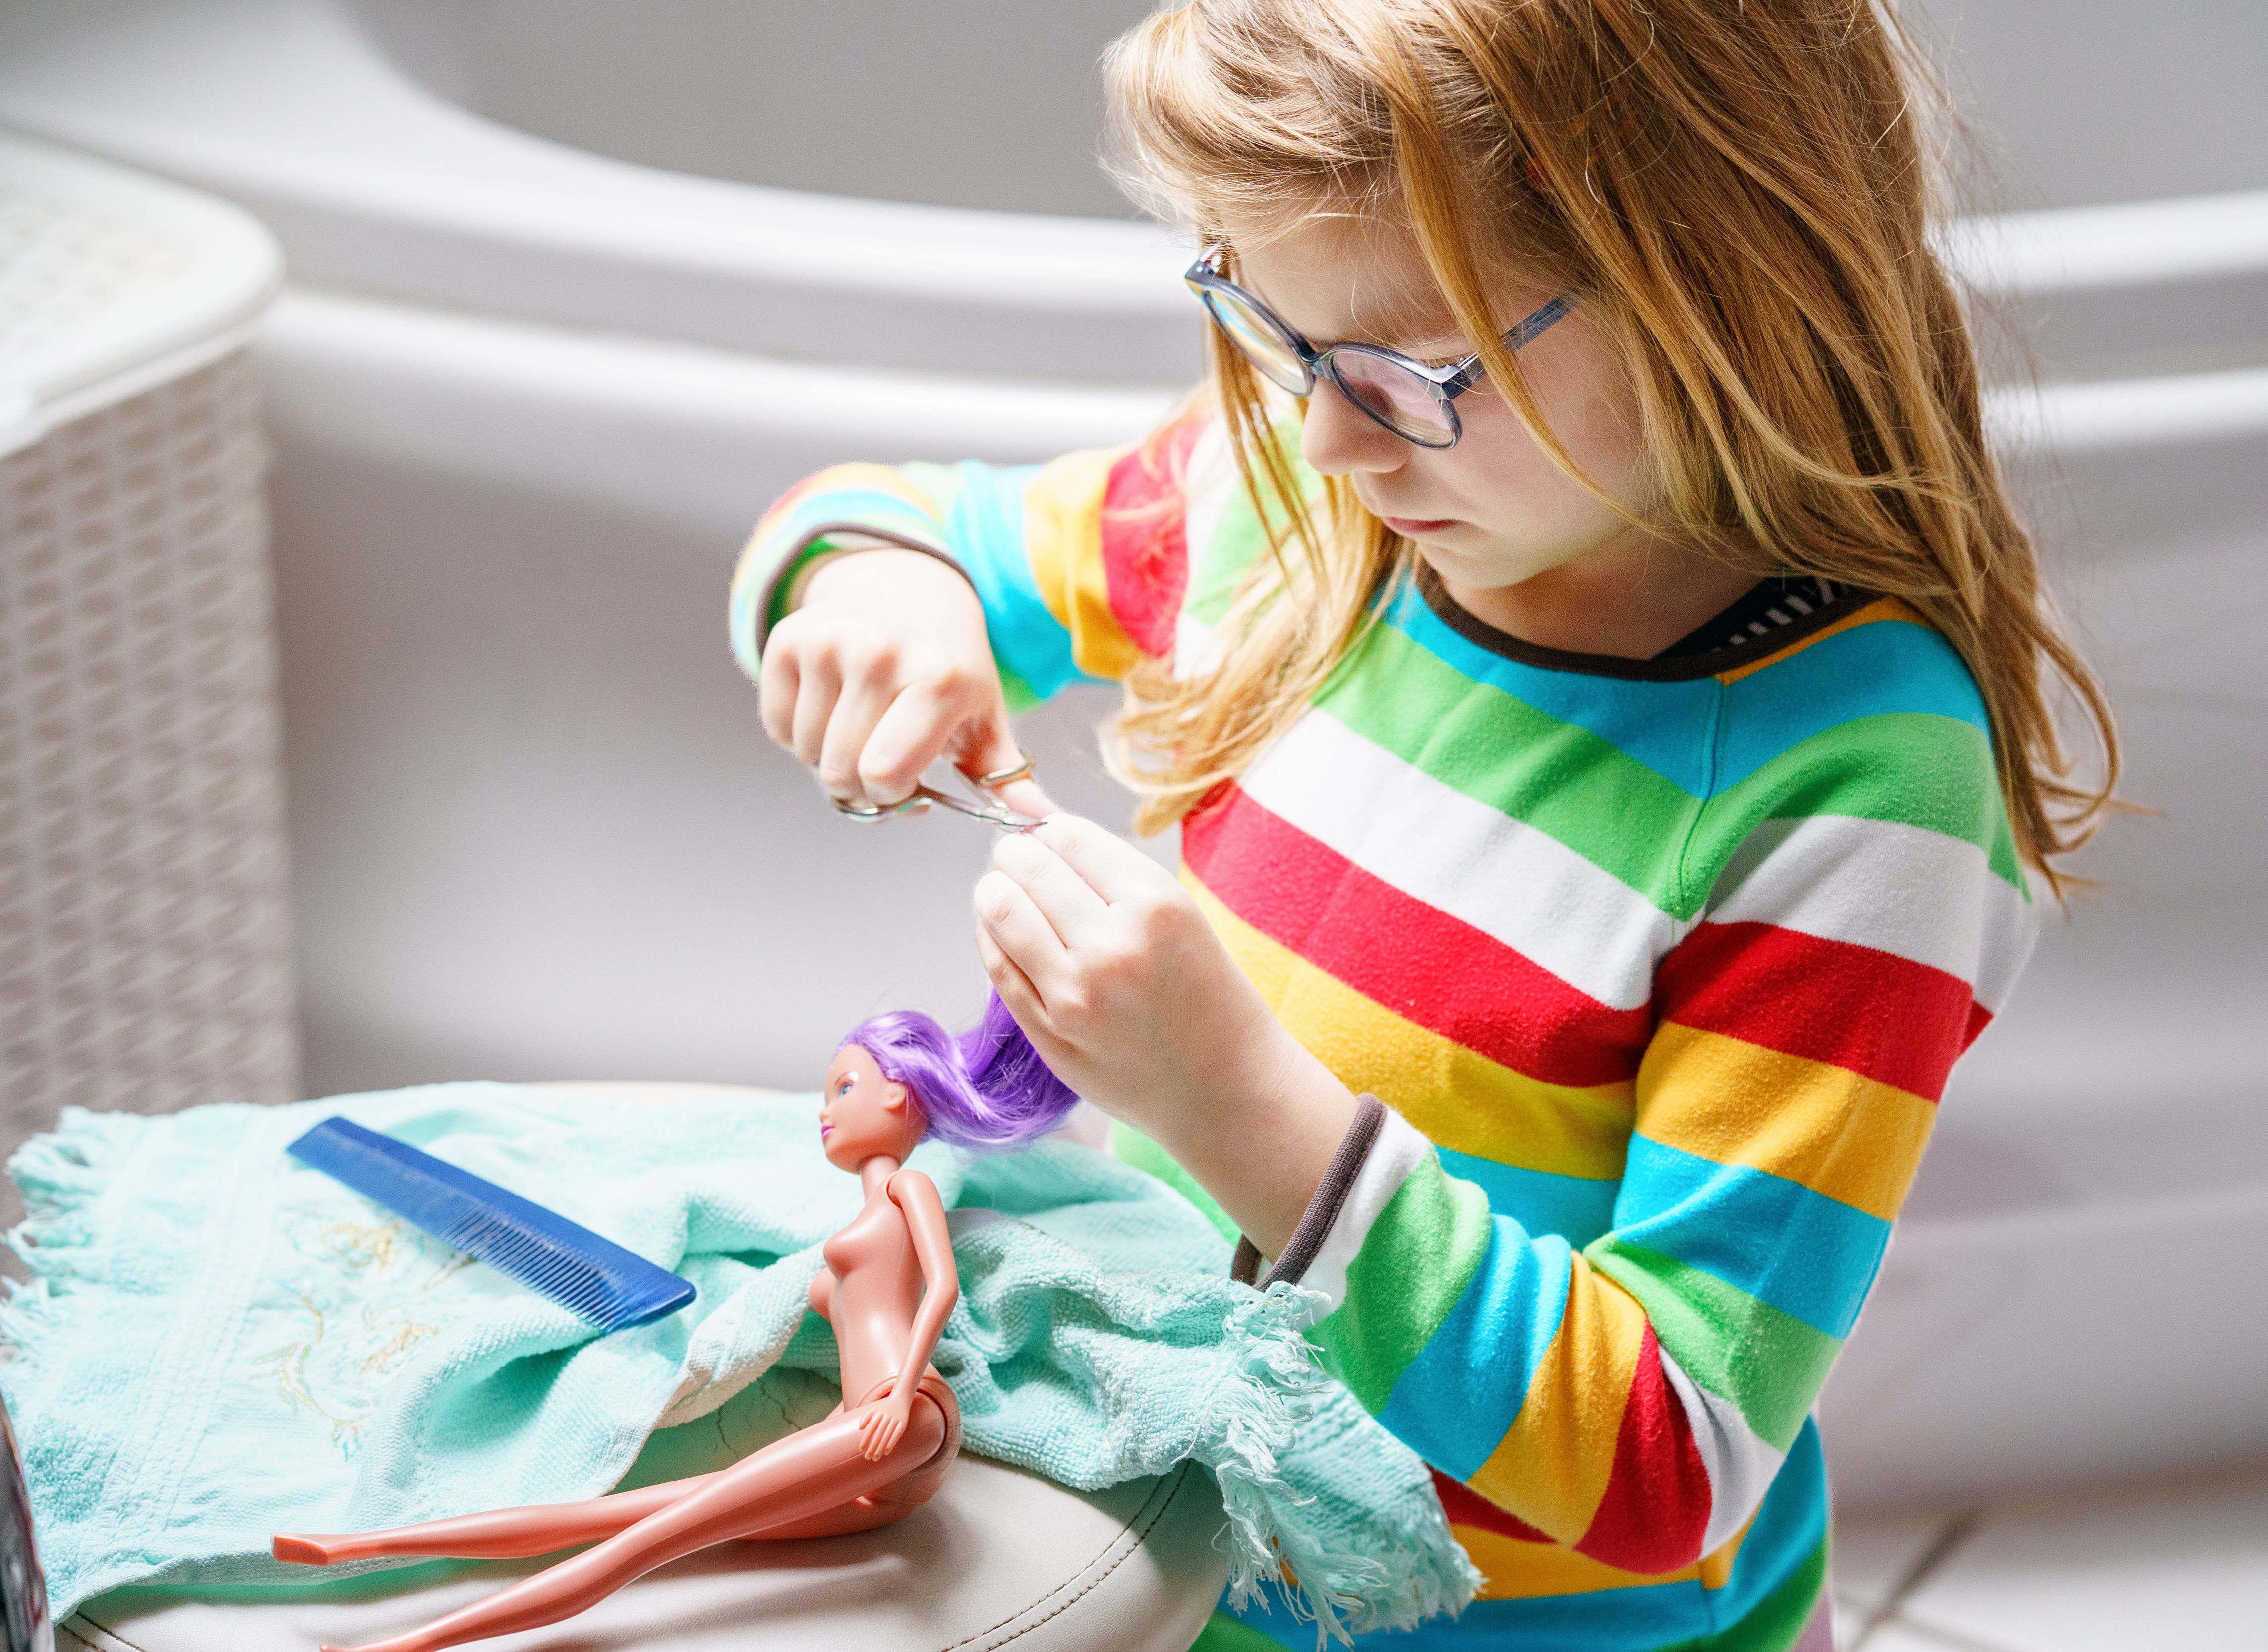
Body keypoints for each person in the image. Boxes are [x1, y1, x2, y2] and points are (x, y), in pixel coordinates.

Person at [732, 0, 2118, 1646]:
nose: (1323, 429)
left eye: (1399, 367)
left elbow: (1674, 1457)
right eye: (1275, 331)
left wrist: (1227, 1096)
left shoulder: (1855, 790)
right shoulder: (1304, 511)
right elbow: (884, 523)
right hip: (1194, 1576)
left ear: (1716, 287)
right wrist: (882, 596)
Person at [272, 1000, 1075, 1652]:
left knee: (644, 1542)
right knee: (614, 1514)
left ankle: (412, 1645)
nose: (823, 1111)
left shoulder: (911, 1194)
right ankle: (355, 1549)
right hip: (866, 1441)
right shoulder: (868, 1210)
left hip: (899, 1422)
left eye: (843, 1087)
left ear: (897, 1096)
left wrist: (900, 1394)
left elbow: (940, 1289)